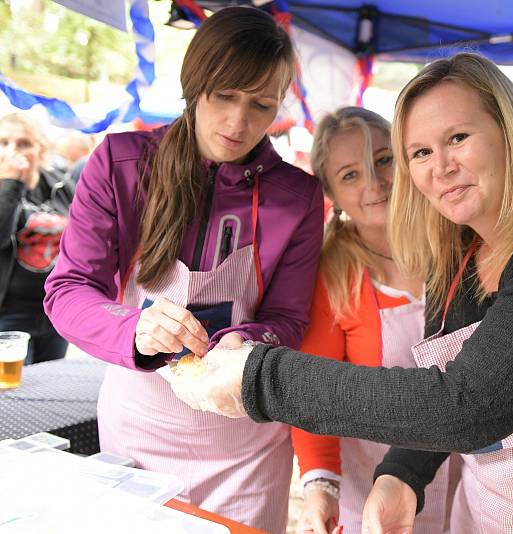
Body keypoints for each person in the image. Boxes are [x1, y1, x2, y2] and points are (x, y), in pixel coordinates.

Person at [189, 52, 513, 533]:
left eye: (458, 137)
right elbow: (438, 385)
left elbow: (469, 405)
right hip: (493, 512)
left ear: (509, 131)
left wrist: (259, 376)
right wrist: (402, 475)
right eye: (419, 151)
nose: (440, 166)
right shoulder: (456, 250)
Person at [43, 7, 323, 532]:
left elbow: (288, 315)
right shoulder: (121, 164)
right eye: (224, 96)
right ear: (194, 84)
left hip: (245, 439)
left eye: (260, 104)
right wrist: (134, 329)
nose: (238, 123)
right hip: (141, 424)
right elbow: (69, 290)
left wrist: (246, 338)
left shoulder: (298, 195)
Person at [293, 107, 455, 534]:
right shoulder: (331, 274)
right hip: (373, 492)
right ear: (331, 193)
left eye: (383, 160)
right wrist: (318, 491)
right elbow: (314, 397)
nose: (375, 184)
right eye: (350, 175)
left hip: (472, 485)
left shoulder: (457, 242)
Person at [0, 112, 73, 364]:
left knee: (47, 387)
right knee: (12, 393)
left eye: (23, 143)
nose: (13, 151)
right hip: (8, 313)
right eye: (4, 142)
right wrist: (11, 182)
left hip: (54, 308)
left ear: (40, 149)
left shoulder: (60, 185)